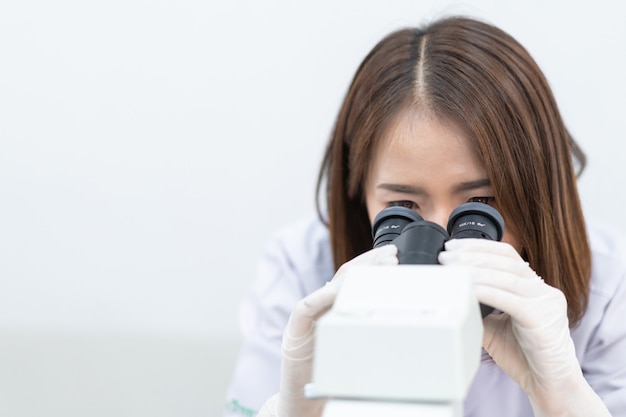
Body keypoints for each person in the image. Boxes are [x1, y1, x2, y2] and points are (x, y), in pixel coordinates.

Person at [224, 16, 626, 417]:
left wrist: (565, 398)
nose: (441, 242)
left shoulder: (611, 285)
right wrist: (296, 410)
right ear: (358, 192)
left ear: (536, 188)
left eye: (481, 205)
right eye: (405, 208)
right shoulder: (300, 270)